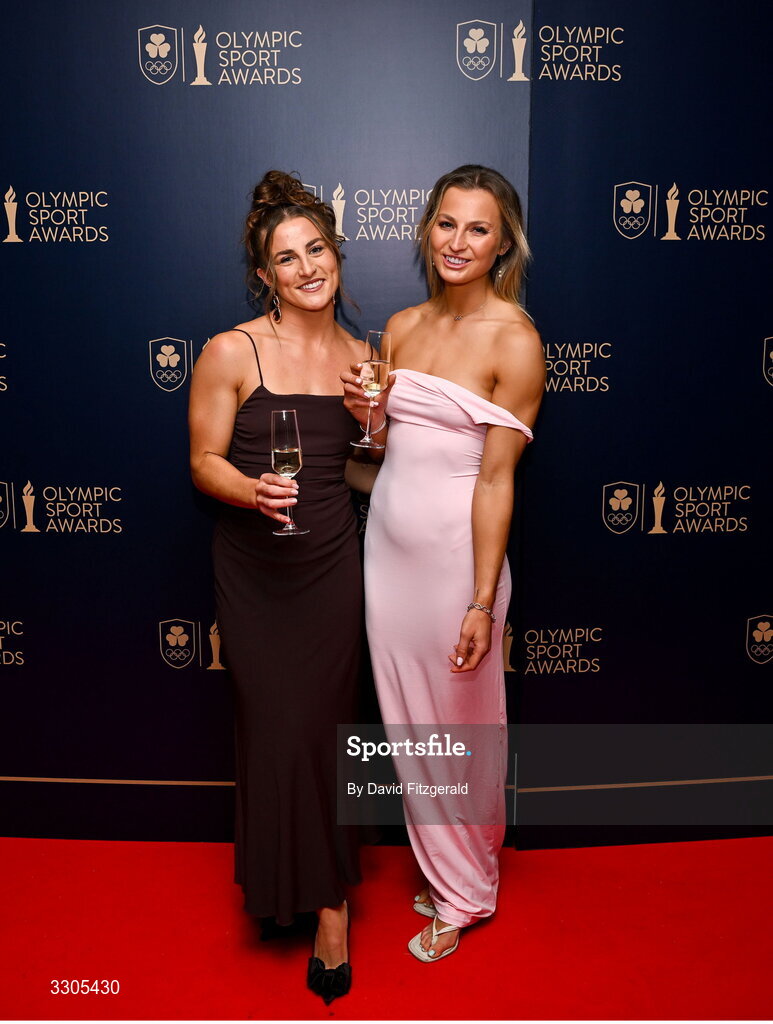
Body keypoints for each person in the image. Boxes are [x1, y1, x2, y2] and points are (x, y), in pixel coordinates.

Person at [342, 164, 545, 962]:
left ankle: (465, 891)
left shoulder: (515, 340)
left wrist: (480, 599)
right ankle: (445, 860)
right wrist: (367, 417)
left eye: (478, 229)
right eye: (446, 224)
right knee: (410, 729)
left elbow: (496, 480)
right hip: (385, 557)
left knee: (459, 731)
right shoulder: (398, 326)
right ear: (426, 229)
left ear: (502, 245)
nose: (458, 242)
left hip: (457, 571)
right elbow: (382, 456)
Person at [189, 170, 365, 1003]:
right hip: (257, 570)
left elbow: (362, 478)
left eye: (315, 250)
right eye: (285, 259)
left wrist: (377, 432)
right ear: (264, 274)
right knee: (272, 729)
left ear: (335, 254)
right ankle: (278, 889)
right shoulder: (233, 349)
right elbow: (202, 463)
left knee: (324, 729)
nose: (304, 269)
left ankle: (328, 907)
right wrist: (249, 489)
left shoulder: (364, 359)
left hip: (331, 563)